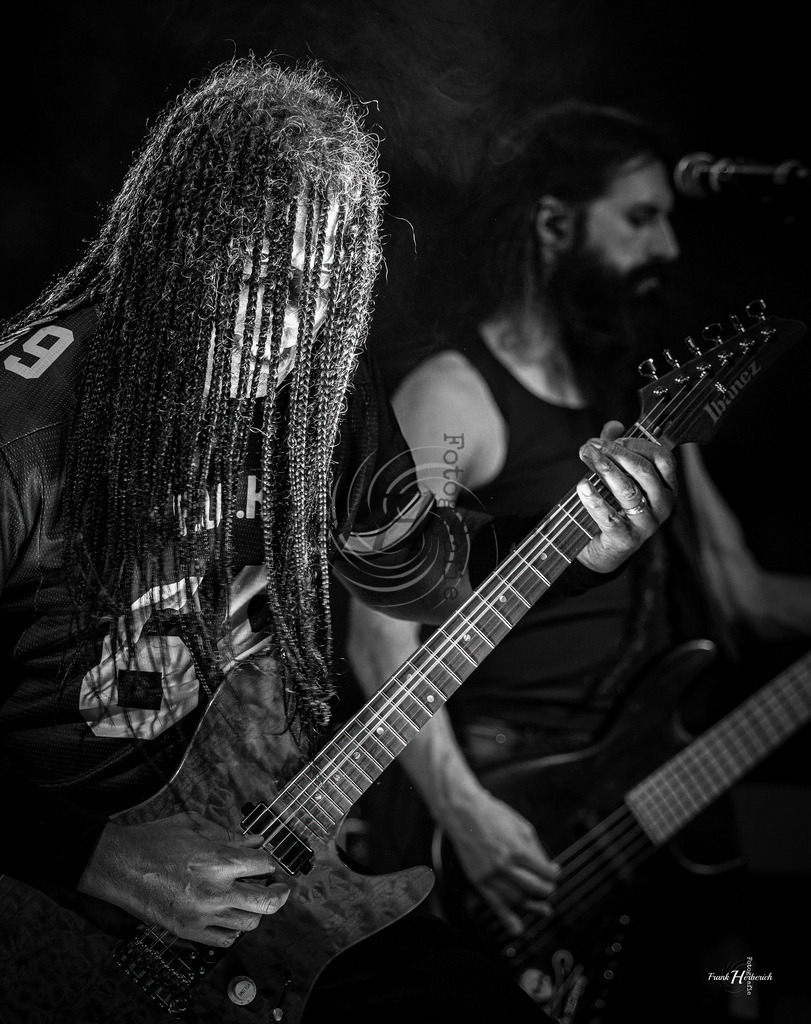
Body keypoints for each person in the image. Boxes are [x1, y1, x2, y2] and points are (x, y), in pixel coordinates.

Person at [0, 63, 678, 1024]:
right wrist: (91, 856)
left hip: (242, 858)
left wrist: (577, 545)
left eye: (323, 286)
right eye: (265, 278)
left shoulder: (314, 398)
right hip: (43, 891)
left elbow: (422, 572)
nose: (292, 324)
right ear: (178, 242)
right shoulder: (24, 421)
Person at [345, 99, 811, 1023]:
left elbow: (734, 587)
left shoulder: (641, 396)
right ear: (556, 224)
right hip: (509, 799)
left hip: (634, 787)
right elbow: (375, 635)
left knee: (743, 994)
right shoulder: (454, 396)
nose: (668, 248)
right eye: (640, 217)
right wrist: (463, 811)